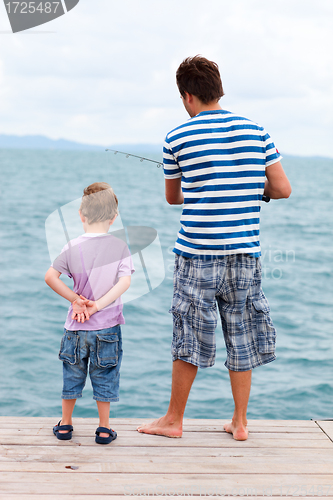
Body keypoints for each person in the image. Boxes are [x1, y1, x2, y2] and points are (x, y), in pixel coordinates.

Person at [137, 56, 291, 441]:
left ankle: (173, 421)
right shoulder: (258, 131)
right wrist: (255, 190)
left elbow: (173, 198)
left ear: (188, 96)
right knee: (240, 330)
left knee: (188, 331)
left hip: (197, 253)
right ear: (217, 89)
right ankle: (240, 423)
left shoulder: (177, 137)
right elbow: (282, 189)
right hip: (245, 253)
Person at [45, 182, 134, 444]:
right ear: (113, 217)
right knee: (105, 377)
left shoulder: (72, 246)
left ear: (81, 216)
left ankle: (65, 425)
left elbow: (51, 277)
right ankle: (104, 429)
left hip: (75, 327)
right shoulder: (119, 246)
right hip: (107, 328)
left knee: (72, 375)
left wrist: (76, 300)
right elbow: (124, 283)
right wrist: (98, 305)